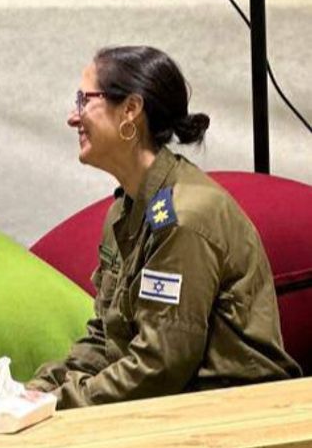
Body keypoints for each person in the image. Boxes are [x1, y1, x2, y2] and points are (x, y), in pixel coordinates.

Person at [27, 45, 301, 408]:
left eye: (83, 100)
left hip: (232, 418)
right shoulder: (126, 211)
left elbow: (162, 365)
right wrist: (38, 389)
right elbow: (106, 336)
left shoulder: (184, 217)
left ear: (130, 110)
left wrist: (59, 403)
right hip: (175, 407)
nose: (72, 117)